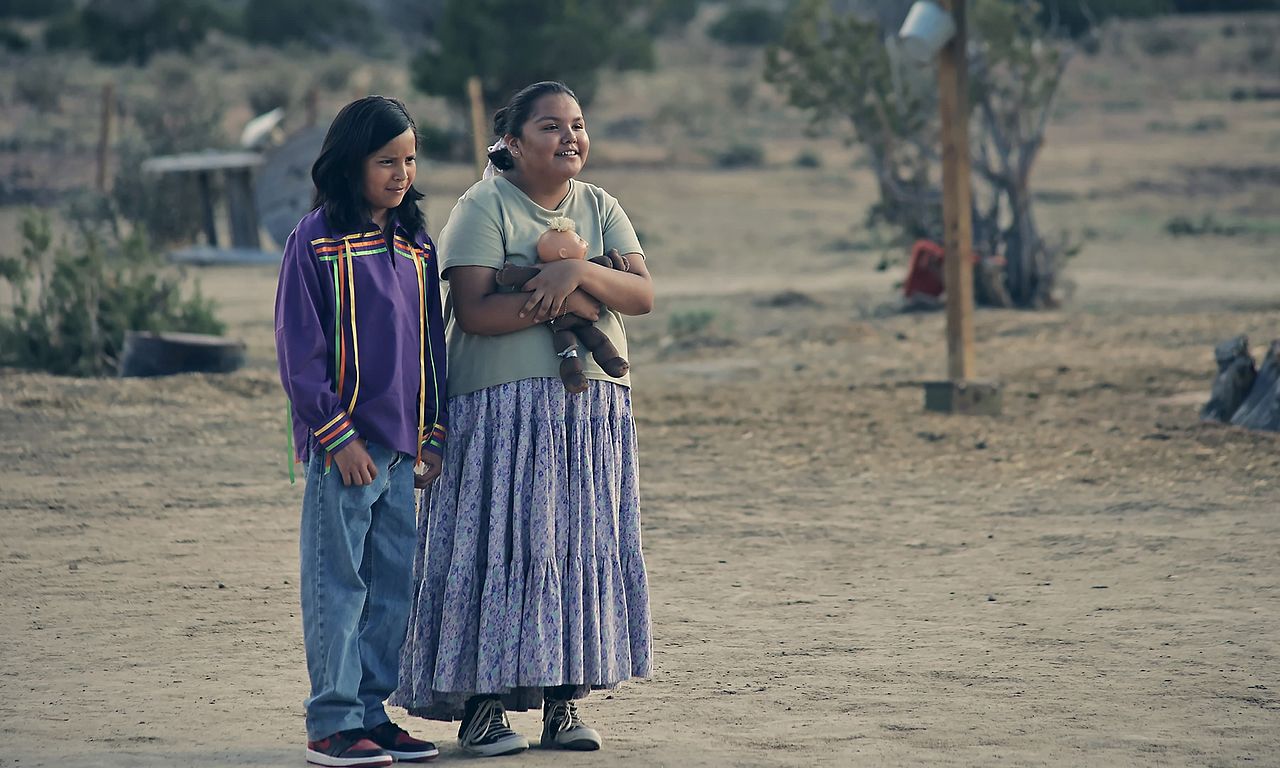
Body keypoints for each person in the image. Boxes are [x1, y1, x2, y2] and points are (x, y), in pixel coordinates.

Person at [390, 81, 654, 757]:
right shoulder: (483, 206)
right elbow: (476, 311)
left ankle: (563, 705)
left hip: (588, 409)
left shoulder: (601, 205)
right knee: (498, 546)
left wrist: (577, 278)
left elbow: (643, 294)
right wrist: (578, 291)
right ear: (512, 142)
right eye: (549, 127)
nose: (570, 137)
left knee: (569, 548)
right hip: (501, 410)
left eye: (577, 124)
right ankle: (482, 709)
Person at [275, 95, 447, 767]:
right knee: (338, 586)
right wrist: (338, 438)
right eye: (386, 161)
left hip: (403, 452)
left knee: (391, 589)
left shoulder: (416, 246)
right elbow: (299, 352)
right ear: (350, 163)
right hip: (345, 452)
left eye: (409, 160)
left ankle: (372, 714)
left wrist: (433, 435)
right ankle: (332, 724)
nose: (401, 173)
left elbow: (431, 346)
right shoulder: (314, 240)